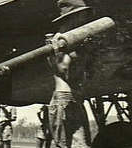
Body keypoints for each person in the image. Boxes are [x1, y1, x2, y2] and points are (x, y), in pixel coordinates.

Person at [46, 0, 93, 148]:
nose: (85, 18)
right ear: (74, 16)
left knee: (81, 145)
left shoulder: (77, 37)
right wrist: (76, 49)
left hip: (75, 97)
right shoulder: (60, 38)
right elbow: (62, 69)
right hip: (64, 98)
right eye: (82, 14)